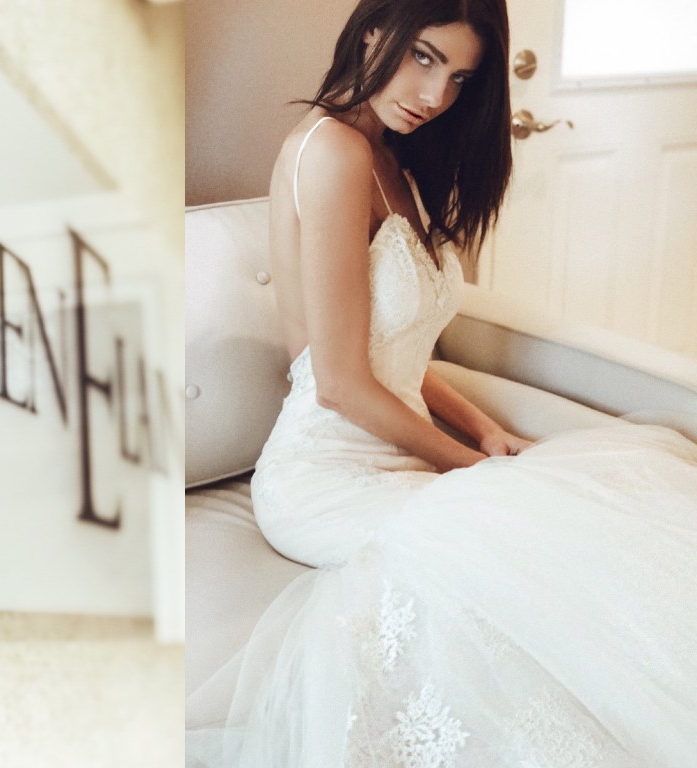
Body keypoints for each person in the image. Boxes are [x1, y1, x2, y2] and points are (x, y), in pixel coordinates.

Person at [185, 0, 697, 766]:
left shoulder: (390, 156)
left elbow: (394, 354)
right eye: (422, 57)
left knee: (608, 512)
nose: (435, 95)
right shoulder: (331, 153)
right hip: (321, 477)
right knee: (539, 541)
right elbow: (336, 383)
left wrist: (483, 430)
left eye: (458, 76)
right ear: (371, 32)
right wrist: (473, 467)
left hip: (393, 458)